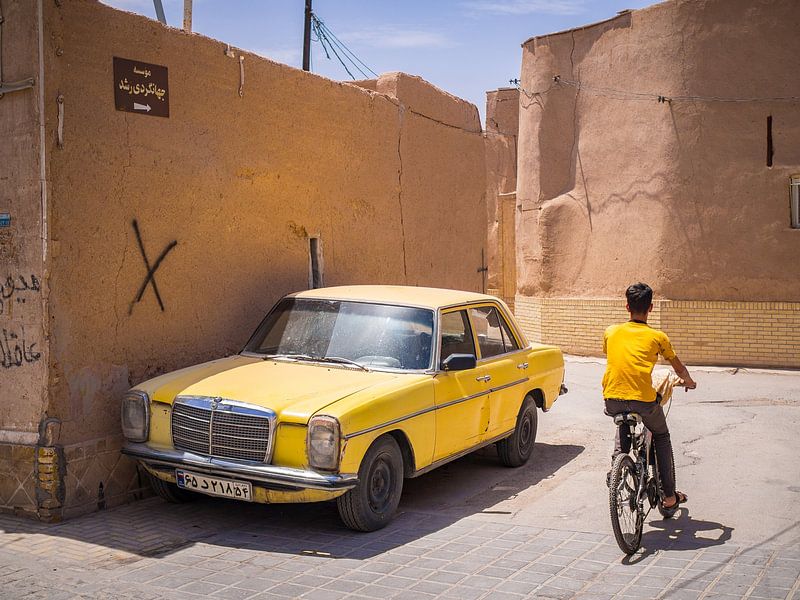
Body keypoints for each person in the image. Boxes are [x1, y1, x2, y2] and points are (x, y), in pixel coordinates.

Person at [603, 282, 696, 510]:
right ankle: (669, 496)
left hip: (612, 399)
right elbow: (678, 367)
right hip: (643, 401)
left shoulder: (611, 332)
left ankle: (618, 465)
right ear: (651, 308)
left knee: (623, 419)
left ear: (627, 307)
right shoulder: (657, 337)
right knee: (661, 435)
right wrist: (689, 382)